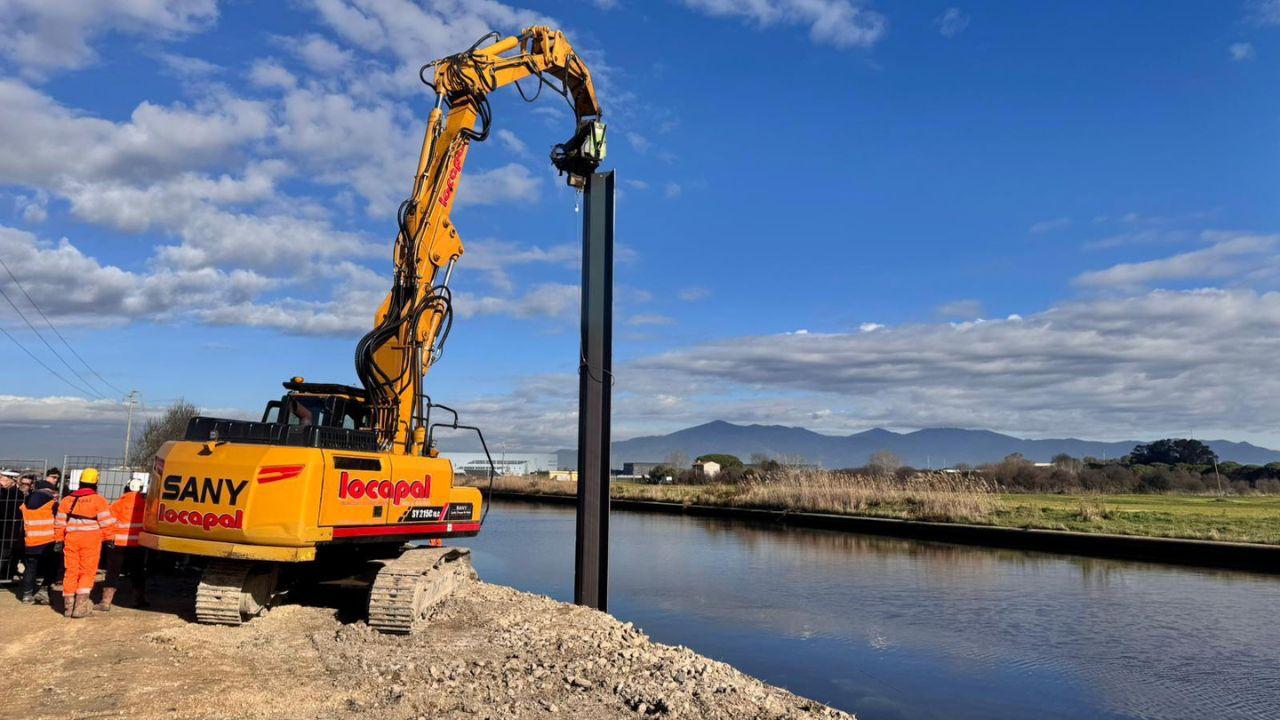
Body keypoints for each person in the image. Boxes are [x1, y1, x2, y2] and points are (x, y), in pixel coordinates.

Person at [53, 468, 116, 618]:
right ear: (96, 482)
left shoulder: (67, 500)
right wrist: (109, 539)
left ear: (80, 481)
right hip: (91, 539)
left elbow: (59, 523)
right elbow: (106, 523)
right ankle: (80, 608)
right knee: (87, 571)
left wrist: (58, 540)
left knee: (71, 571)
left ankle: (68, 608)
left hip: (71, 539)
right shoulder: (99, 500)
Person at [99, 477, 148, 610]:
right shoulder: (146, 505)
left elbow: (108, 523)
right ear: (141, 489)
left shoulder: (117, 504)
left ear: (126, 488)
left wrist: (108, 539)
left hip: (117, 543)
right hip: (138, 544)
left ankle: (106, 602)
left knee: (112, 571)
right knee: (138, 571)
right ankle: (139, 599)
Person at [18, 477, 60, 604]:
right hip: (48, 541)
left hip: (31, 541)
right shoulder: (52, 503)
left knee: (30, 568)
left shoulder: (26, 502)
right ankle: (44, 591)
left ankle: (26, 595)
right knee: (50, 567)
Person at [0, 471, 22, 581]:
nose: (1, 482)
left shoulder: (15, 494)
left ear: (11, 480)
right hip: (7, 527)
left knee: (6, 553)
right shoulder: (7, 492)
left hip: (10, 528)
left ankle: (6, 574)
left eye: (3, 479)